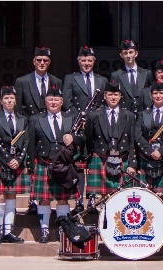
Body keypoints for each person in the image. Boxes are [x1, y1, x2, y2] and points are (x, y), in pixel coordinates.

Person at [27, 86, 80, 243]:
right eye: (50, 99)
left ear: (62, 102)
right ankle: (44, 230)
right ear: (45, 102)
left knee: (63, 199)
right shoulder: (36, 119)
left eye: (57, 99)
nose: (53, 102)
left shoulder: (71, 118)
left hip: (63, 165)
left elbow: (82, 139)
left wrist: (74, 138)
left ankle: (62, 230)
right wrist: (30, 166)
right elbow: (31, 143)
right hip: (44, 162)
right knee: (44, 199)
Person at [15, 46, 63, 215]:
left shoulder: (56, 81)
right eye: (39, 60)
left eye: (45, 61)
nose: (42, 63)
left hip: (49, 130)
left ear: (49, 63)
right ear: (33, 61)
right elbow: (18, 109)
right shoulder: (22, 81)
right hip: (30, 127)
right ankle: (32, 201)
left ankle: (41, 199)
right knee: (32, 163)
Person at [61, 45, 108, 215]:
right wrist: (79, 119)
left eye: (89, 60)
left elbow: (104, 103)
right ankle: (79, 200)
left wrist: (93, 119)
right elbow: (67, 102)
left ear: (94, 61)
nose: (86, 63)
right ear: (78, 61)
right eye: (83, 60)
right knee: (79, 166)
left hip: (97, 127)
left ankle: (94, 199)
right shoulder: (70, 78)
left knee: (95, 164)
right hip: (78, 126)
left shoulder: (102, 80)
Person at [0, 86, 29, 244]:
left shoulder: (23, 119)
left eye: (12, 98)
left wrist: (19, 159)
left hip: (16, 162)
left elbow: (26, 142)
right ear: (1, 101)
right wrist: (6, 159)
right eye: (6, 98)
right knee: (0, 196)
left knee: (12, 196)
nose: (9, 101)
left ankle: (8, 231)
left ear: (15, 101)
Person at [84, 81, 137, 211]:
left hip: (123, 157)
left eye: (116, 95)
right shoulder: (94, 115)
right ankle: (104, 223)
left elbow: (132, 141)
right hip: (101, 157)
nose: (113, 97)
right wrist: (92, 156)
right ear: (104, 96)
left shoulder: (129, 116)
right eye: (110, 95)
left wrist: (132, 163)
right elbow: (88, 138)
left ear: (120, 97)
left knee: (123, 194)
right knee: (103, 195)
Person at [110, 39, 152, 117]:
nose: (128, 56)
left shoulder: (146, 73)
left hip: (143, 115)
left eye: (131, 52)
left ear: (136, 53)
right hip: (124, 115)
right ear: (121, 55)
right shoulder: (116, 75)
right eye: (125, 53)